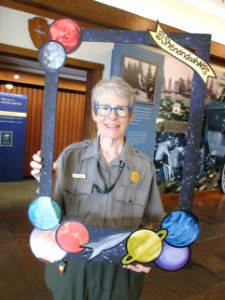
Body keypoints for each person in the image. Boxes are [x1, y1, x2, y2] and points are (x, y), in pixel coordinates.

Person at [30, 76, 165, 300]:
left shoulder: (144, 167)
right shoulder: (70, 156)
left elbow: (151, 223)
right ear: (94, 113)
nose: (112, 116)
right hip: (72, 262)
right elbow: (52, 212)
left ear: (130, 116)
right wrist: (44, 182)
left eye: (121, 109)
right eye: (104, 108)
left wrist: (149, 256)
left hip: (119, 268)